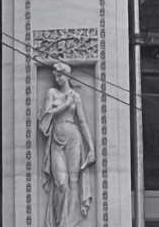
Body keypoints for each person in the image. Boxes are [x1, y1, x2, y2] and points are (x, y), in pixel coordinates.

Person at [38, 62, 95, 227]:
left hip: (74, 138)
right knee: (61, 183)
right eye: (55, 75)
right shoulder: (52, 93)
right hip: (56, 138)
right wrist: (64, 104)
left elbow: (83, 122)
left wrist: (91, 147)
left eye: (60, 74)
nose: (57, 78)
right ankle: (58, 221)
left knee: (73, 182)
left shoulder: (76, 96)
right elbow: (45, 116)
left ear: (68, 75)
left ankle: (68, 222)